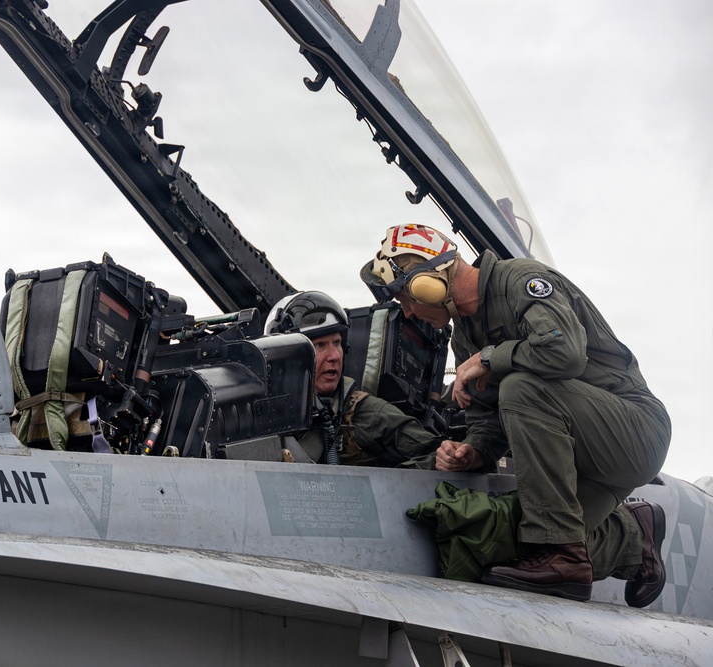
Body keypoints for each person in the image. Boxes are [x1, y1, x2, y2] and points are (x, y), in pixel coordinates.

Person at [360, 223, 671, 607]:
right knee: (511, 535)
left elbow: (566, 352)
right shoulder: (465, 336)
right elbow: (489, 419)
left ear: (430, 282)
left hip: (634, 432)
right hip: (578, 459)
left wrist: (491, 357)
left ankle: (567, 558)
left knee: (521, 387)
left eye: (406, 298)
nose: (407, 311)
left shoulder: (521, 281)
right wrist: (470, 451)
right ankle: (636, 536)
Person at [264, 290, 441, 466]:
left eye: (337, 343)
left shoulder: (369, 414)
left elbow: (440, 456)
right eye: (320, 345)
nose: (334, 356)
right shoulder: (260, 412)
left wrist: (382, 485)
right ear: (287, 357)